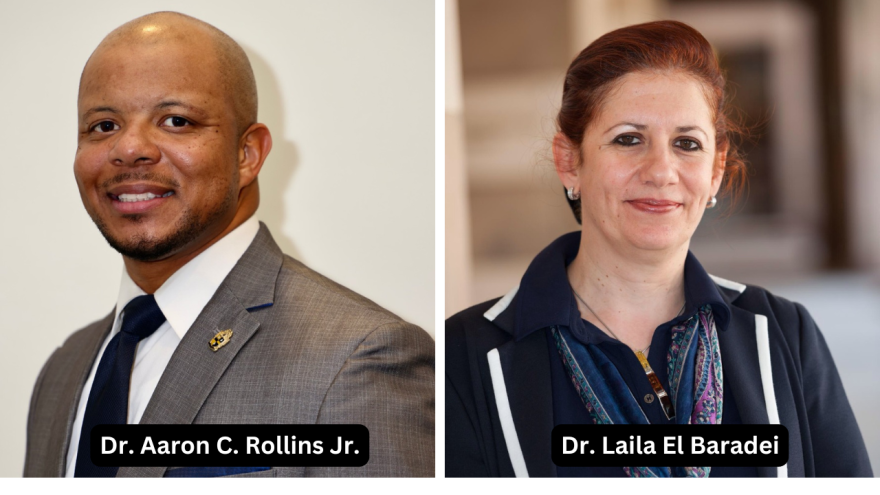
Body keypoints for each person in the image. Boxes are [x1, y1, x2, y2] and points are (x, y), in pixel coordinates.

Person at [445, 20, 872, 478]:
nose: (661, 170)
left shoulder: (785, 334)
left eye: (687, 144)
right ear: (569, 161)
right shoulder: (464, 357)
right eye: (629, 139)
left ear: (715, 171)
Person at [24, 11, 434, 478]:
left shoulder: (356, 360)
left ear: (248, 155)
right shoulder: (65, 371)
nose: (129, 148)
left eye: (175, 120)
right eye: (102, 126)